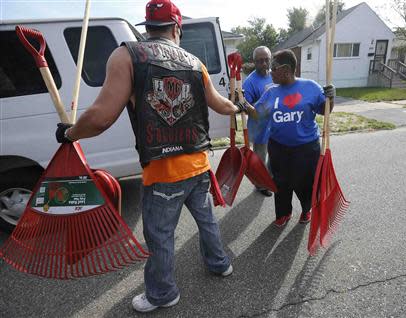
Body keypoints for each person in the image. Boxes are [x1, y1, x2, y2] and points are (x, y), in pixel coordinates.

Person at [55, 0, 252, 313]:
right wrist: (238, 106)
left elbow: (101, 117)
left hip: (164, 174)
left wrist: (69, 133)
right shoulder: (193, 61)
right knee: (207, 222)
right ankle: (220, 264)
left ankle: (162, 294)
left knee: (160, 236)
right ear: (177, 28)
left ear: (147, 27)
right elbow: (219, 103)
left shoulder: (127, 55)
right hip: (199, 165)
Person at [253, 49, 335, 228]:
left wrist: (331, 98)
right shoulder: (271, 91)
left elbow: (325, 111)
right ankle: (284, 213)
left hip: (306, 147)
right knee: (280, 184)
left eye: (273, 68)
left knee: (305, 183)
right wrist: (240, 104)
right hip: (278, 147)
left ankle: (307, 210)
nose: (270, 71)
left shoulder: (311, 87)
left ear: (286, 69)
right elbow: (257, 112)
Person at [243, 46, 274, 197]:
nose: (264, 64)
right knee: (260, 158)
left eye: (266, 60)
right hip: (259, 127)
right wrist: (262, 107)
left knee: (274, 155)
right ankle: (260, 185)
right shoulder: (250, 82)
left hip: (276, 125)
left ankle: (270, 178)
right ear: (254, 62)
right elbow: (245, 106)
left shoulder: (274, 75)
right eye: (260, 61)